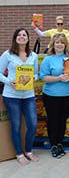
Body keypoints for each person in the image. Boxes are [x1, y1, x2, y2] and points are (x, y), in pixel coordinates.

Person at [39, 33, 69, 158]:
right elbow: (43, 77)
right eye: (57, 42)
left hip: (67, 95)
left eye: (62, 42)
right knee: (53, 120)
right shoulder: (48, 59)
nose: (59, 45)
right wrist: (58, 78)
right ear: (53, 45)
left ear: (65, 44)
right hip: (51, 95)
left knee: (62, 120)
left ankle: (60, 143)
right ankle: (54, 145)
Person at [0, 28, 39, 165]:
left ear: (28, 38)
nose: (22, 37)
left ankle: (28, 151)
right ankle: (18, 153)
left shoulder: (33, 55)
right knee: (15, 125)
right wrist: (8, 82)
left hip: (28, 95)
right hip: (11, 96)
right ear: (15, 38)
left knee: (33, 124)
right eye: (19, 35)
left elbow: (36, 74)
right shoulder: (8, 54)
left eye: (24, 35)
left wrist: (34, 77)